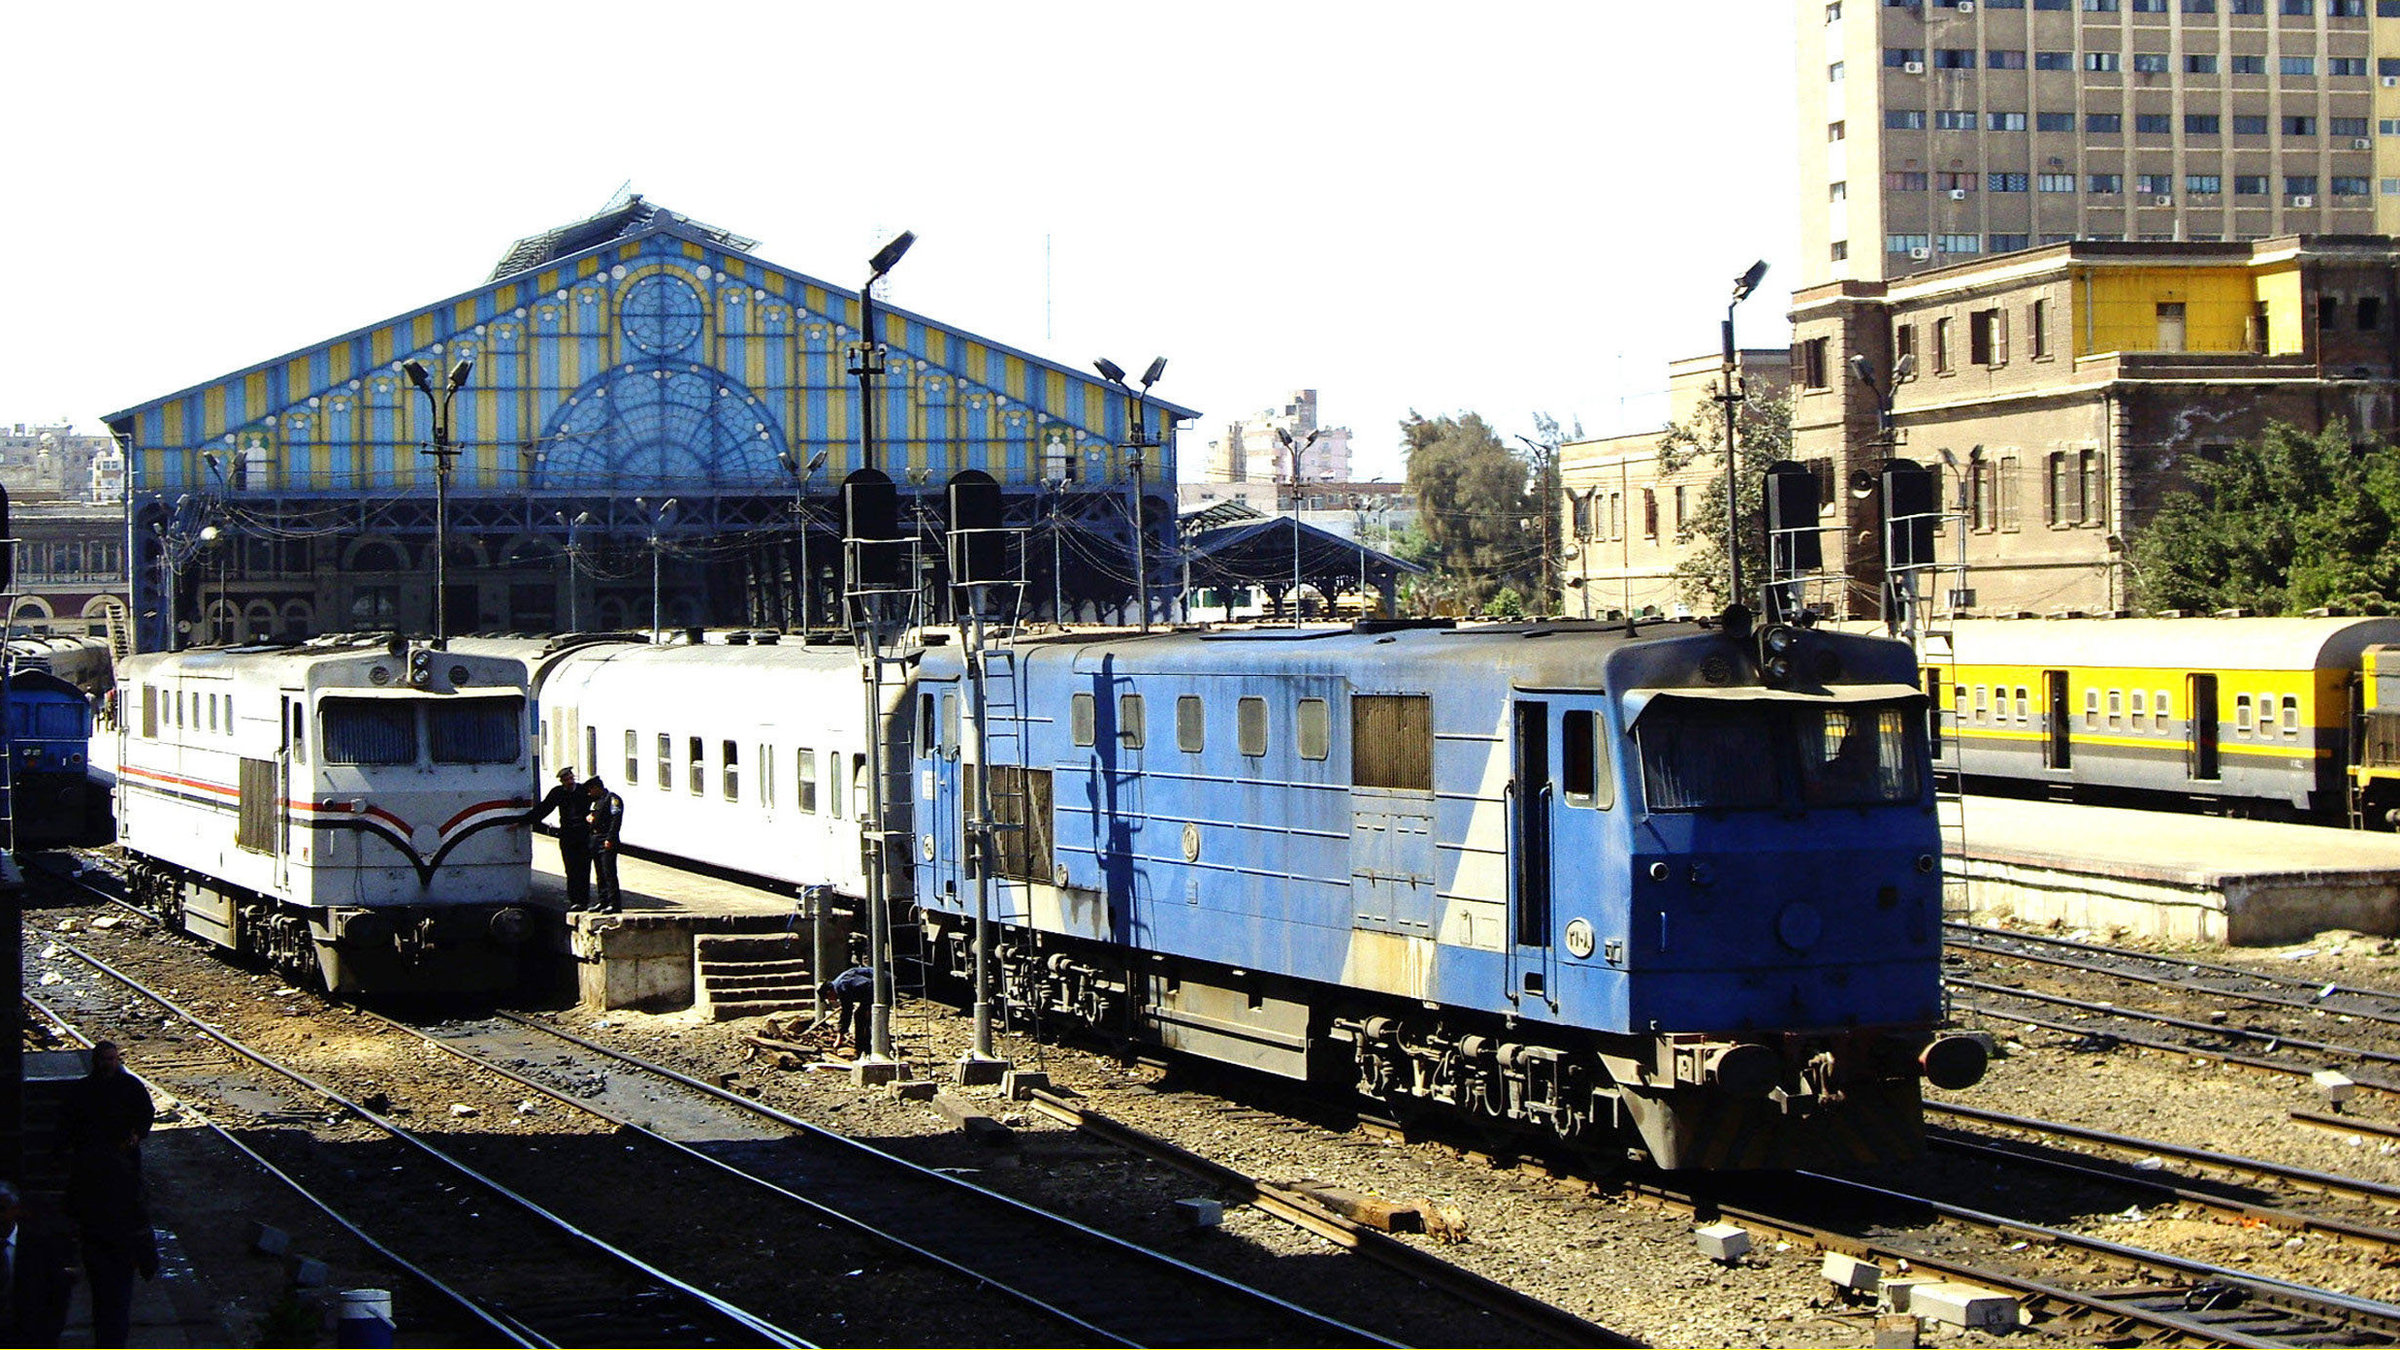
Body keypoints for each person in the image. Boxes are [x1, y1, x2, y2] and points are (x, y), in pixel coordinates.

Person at [63, 1046, 156, 1349]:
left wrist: (137, 1134)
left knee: (108, 1304)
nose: (108, 1065)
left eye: (112, 1060)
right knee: (113, 1304)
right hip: (110, 1245)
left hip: (104, 1242)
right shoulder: (85, 1090)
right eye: (104, 1060)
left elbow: (145, 1114)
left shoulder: (128, 1087)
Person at [523, 767, 592, 911]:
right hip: (568, 835)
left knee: (584, 868)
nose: (569, 782)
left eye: (571, 778)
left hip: (584, 834)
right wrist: (524, 821)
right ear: (562, 782)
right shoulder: (558, 793)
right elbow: (544, 808)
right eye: (566, 780)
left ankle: (584, 900)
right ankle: (575, 900)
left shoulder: (583, 791)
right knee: (571, 869)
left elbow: (598, 804)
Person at [584, 775, 625, 914]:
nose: (589, 793)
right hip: (595, 839)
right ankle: (603, 901)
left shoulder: (612, 799)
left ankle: (614, 904)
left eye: (590, 790)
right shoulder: (596, 801)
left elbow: (615, 820)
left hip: (606, 839)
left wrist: (610, 838)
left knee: (609, 873)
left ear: (597, 788)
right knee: (600, 874)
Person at [820, 964, 874, 1056]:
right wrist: (840, 1035)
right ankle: (862, 1049)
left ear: (829, 992)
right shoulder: (840, 986)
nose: (830, 1000)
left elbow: (868, 984)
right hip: (872, 989)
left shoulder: (842, 985)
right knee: (860, 1015)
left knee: (863, 1016)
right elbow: (846, 1012)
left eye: (828, 998)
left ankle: (867, 1049)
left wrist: (868, 1006)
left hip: (882, 985)